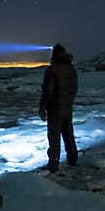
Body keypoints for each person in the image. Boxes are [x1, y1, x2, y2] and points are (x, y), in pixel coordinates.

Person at [38, 43, 78, 173]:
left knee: (54, 136)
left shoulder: (52, 69)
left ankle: (53, 165)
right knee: (68, 134)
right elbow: (74, 88)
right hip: (67, 106)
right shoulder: (71, 68)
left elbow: (48, 91)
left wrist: (42, 107)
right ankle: (73, 160)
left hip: (55, 108)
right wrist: (69, 101)